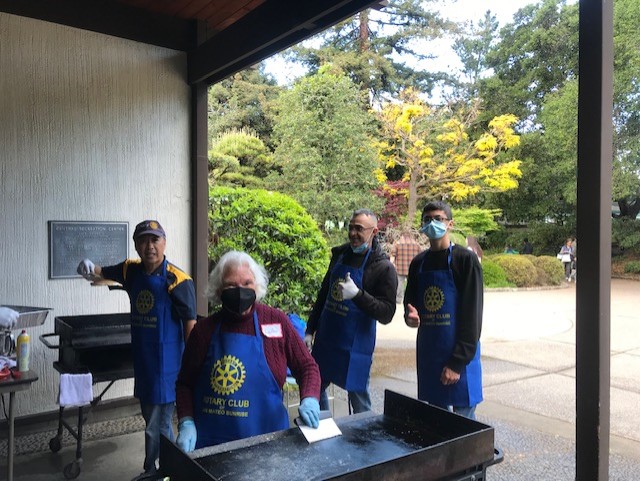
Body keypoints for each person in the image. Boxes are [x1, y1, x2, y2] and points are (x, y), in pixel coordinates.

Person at [76, 220, 196, 481]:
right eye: (143, 240)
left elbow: (190, 324)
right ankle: (168, 469)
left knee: (158, 423)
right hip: (144, 361)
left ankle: (156, 471)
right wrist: (88, 267)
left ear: (164, 242)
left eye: (155, 240)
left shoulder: (178, 280)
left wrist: (192, 363)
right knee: (152, 419)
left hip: (167, 365)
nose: (149, 246)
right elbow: (102, 271)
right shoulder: (130, 270)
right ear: (136, 245)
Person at [175, 251, 320, 451]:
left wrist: (310, 397)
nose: (239, 291)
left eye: (247, 283)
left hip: (269, 444)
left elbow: (307, 366)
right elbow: (184, 384)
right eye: (231, 285)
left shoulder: (276, 321)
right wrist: (186, 421)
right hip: (213, 447)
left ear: (257, 286)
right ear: (219, 289)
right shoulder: (203, 331)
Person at [305, 209, 397, 414]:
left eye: (359, 229)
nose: (353, 233)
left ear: (374, 232)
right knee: (314, 387)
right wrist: (310, 329)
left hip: (355, 347)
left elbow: (387, 313)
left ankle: (364, 433)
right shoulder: (339, 255)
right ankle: (323, 425)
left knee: (359, 401)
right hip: (327, 341)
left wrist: (357, 295)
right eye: (351, 228)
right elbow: (324, 294)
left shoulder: (382, 267)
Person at [404, 200, 483, 420]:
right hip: (430, 355)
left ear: (450, 224)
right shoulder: (418, 263)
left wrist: (457, 363)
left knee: (464, 427)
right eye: (427, 220)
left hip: (460, 357)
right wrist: (410, 318)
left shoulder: (465, 260)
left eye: (438, 219)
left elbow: (473, 316)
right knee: (437, 423)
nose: (432, 224)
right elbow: (410, 304)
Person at [390, 231, 423, 303]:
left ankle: (398, 300)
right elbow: (421, 256)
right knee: (412, 285)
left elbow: (393, 255)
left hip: (400, 268)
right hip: (412, 269)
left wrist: (391, 264)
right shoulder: (416, 244)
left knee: (399, 285)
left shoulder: (398, 244)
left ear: (402, 236)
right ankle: (411, 301)